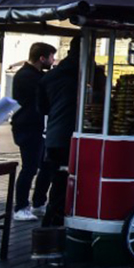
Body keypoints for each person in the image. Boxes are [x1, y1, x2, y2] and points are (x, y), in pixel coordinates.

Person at [10, 42, 56, 222]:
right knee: (29, 168)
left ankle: (38, 203)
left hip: (35, 127)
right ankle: (20, 207)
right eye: (51, 57)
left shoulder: (34, 74)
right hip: (27, 127)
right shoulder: (27, 76)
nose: (53, 61)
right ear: (42, 58)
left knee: (45, 166)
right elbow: (45, 90)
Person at [38, 37, 81, 229]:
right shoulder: (88, 72)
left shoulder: (50, 77)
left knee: (58, 181)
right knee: (67, 183)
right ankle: (56, 226)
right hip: (75, 136)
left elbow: (42, 108)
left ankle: (52, 223)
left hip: (54, 136)